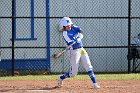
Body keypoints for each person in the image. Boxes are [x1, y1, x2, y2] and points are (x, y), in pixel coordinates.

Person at [57, 17, 100, 88]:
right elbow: (72, 42)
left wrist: (79, 37)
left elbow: (80, 31)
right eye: (66, 26)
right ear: (63, 26)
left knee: (88, 66)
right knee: (73, 73)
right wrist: (75, 40)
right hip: (73, 52)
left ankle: (95, 84)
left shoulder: (74, 27)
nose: (68, 26)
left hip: (81, 49)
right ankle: (61, 78)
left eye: (69, 25)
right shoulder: (65, 34)